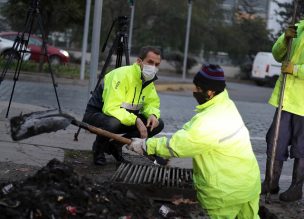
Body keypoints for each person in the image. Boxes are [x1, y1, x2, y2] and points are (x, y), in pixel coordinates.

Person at [127, 64, 261, 219]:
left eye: (197, 88)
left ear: (210, 92)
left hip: (225, 193)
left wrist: (145, 145)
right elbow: (190, 133)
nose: (194, 91)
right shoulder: (226, 105)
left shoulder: (210, 120)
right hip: (249, 184)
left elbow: (181, 145)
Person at [83, 46, 166, 166]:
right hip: (98, 115)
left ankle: (115, 146)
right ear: (139, 61)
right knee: (113, 123)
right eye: (150, 62)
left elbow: (151, 103)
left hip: (124, 118)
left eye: (157, 64)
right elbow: (111, 108)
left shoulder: (148, 82)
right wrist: (136, 120)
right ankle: (98, 149)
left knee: (157, 124)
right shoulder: (120, 75)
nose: (153, 67)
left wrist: (152, 115)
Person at [261, 20, 304, 202]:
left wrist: (294, 69)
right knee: (275, 141)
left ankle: (296, 188)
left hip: (303, 105)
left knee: (301, 148)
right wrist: (285, 39)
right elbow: (278, 55)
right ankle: (271, 181)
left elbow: (291, 66)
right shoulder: (298, 27)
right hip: (285, 100)